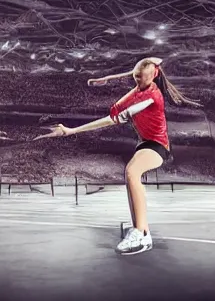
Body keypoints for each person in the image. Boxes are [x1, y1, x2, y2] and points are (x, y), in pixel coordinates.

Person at [37, 57, 201, 255]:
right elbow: (140, 70)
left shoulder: (150, 98)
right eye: (135, 77)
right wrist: (109, 77)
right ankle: (139, 227)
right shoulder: (144, 80)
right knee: (129, 174)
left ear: (154, 75)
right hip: (144, 142)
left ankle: (142, 234)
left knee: (132, 172)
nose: (136, 81)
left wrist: (71, 131)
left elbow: (111, 120)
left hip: (158, 146)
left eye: (140, 78)